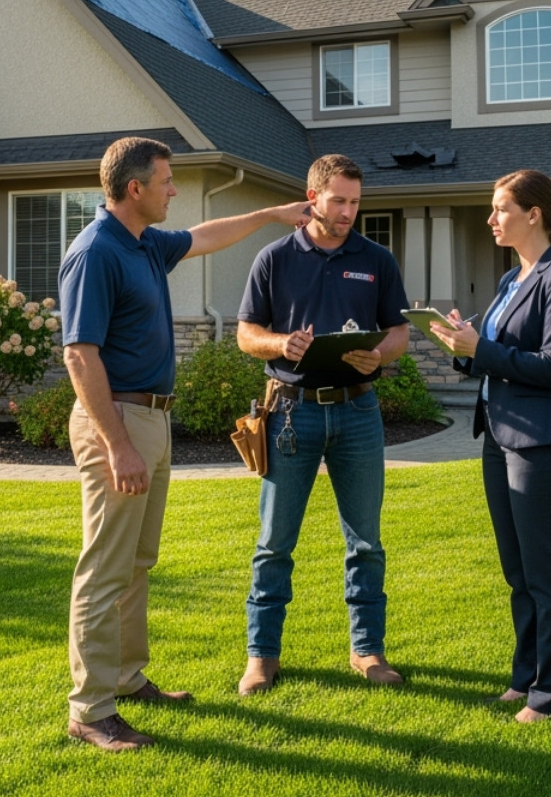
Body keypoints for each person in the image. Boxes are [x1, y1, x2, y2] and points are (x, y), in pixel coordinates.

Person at [59, 136, 309, 753]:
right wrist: (118, 445)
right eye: (166, 181)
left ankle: (125, 677)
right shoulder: (96, 252)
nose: (174, 190)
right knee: (105, 566)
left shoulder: (144, 243)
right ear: (134, 188)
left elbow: (206, 236)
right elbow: (79, 354)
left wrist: (272, 216)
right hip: (116, 419)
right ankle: (90, 710)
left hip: (152, 418)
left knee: (137, 563)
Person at [233, 154, 411, 696]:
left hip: (358, 412)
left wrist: (378, 356)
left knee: (366, 543)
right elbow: (245, 333)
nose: (349, 212)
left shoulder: (376, 259)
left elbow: (399, 332)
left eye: (356, 202)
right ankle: (262, 657)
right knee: (274, 543)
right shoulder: (274, 257)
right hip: (290, 412)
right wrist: (279, 344)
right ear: (312, 198)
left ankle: (368, 650)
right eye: (339, 201)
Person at [429, 169, 551, 723]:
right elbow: (491, 355)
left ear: (534, 215)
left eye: (500, 209)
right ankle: (526, 678)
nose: (491, 219)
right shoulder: (509, 280)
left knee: (546, 572)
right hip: (498, 436)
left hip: (541, 441)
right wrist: (461, 343)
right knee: (517, 570)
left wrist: (483, 348)